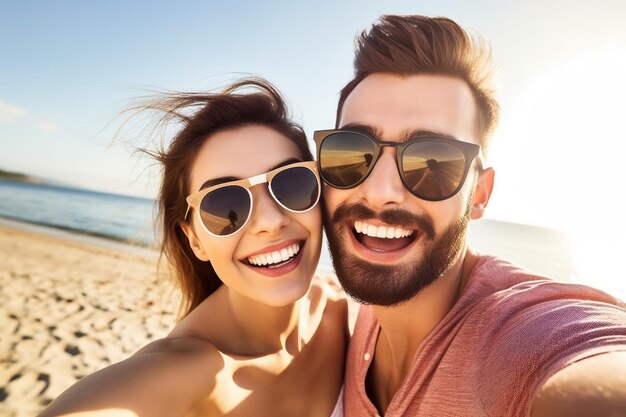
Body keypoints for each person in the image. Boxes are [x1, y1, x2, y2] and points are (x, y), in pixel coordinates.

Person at [316, 15, 626, 416]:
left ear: (479, 194)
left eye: (433, 161)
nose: (379, 191)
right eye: (351, 152)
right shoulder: (343, 321)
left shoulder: (520, 333)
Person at [38, 79, 348, 417]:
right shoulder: (184, 369)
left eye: (291, 183)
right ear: (195, 239)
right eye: (225, 203)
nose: (270, 221)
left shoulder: (342, 311)